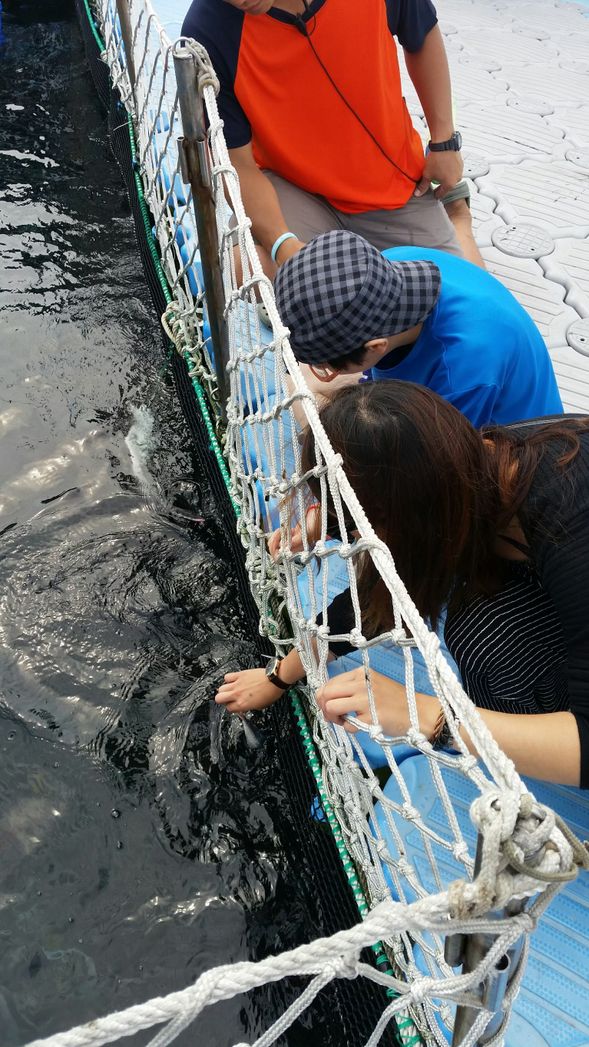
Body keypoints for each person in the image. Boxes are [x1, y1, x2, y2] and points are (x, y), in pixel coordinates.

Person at [216, 382, 589, 789]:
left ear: (410, 521)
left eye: (361, 528)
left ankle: (526, 737)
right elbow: (382, 593)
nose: (354, 539)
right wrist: (280, 676)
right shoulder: (471, 466)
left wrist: (427, 715)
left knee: (486, 638)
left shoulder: (571, 531)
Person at [181, 0, 484, 269]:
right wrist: (282, 244)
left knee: (462, 298)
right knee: (242, 267)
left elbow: (422, 32)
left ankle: (458, 217)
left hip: (389, 188)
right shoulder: (207, 27)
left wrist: (444, 142)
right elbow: (238, 163)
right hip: (290, 189)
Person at [273, 230, 563, 428]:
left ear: (376, 347)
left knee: (311, 411)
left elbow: (438, 469)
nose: (320, 369)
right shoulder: (394, 262)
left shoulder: (464, 371)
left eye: (326, 366)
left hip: (505, 447)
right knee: (303, 390)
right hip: (444, 399)